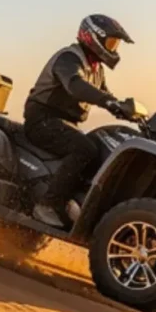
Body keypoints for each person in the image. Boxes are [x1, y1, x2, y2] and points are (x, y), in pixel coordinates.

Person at [24, 14, 134, 227]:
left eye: (116, 44)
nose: (114, 49)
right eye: (111, 42)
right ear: (93, 37)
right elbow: (76, 85)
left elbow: (103, 94)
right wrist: (108, 101)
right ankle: (48, 204)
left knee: (100, 148)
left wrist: (124, 109)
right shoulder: (69, 58)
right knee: (85, 149)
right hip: (42, 120)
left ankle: (76, 202)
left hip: (63, 123)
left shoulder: (96, 69)